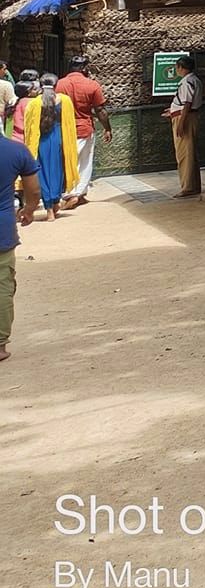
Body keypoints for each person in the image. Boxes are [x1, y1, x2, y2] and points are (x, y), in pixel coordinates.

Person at [0, 129, 40, 362]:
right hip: (2, 231)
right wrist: (29, 210)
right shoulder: (16, 151)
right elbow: (33, 190)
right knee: (2, 287)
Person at [19, 75, 77, 221]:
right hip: (59, 140)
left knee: (43, 174)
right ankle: (56, 202)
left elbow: (29, 127)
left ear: (40, 85)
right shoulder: (64, 101)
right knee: (57, 172)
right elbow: (69, 124)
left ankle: (49, 208)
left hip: (41, 142)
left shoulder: (34, 103)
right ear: (56, 85)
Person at [53, 56, 108, 208]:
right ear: (84, 68)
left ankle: (74, 193)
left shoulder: (59, 84)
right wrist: (107, 128)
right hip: (85, 128)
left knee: (69, 160)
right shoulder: (92, 85)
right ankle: (77, 193)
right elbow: (100, 110)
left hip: (64, 129)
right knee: (85, 161)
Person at [165, 56, 205, 198]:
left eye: (177, 67)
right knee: (190, 152)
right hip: (187, 116)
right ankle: (193, 185)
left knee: (184, 153)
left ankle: (188, 187)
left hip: (186, 118)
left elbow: (187, 103)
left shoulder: (187, 82)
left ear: (181, 67)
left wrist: (181, 123)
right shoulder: (195, 80)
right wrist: (172, 111)